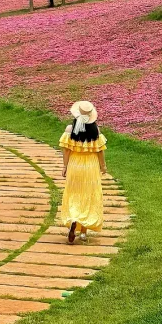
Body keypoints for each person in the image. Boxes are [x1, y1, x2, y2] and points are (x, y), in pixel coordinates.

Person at [59, 99, 107, 243]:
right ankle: (84, 232)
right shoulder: (95, 130)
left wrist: (65, 166)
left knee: (74, 193)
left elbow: (66, 151)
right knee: (89, 195)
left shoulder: (70, 129)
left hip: (75, 164)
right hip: (90, 166)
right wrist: (103, 166)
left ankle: (74, 218)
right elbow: (100, 151)